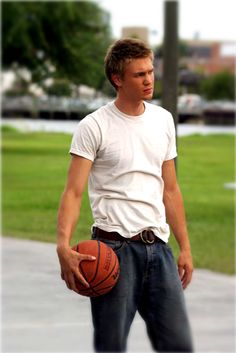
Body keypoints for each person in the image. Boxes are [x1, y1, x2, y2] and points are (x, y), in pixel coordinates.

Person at [57, 38, 194, 352]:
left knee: (179, 345)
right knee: (111, 346)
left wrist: (184, 247)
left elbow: (170, 190)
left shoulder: (163, 121)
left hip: (159, 250)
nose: (148, 80)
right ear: (117, 79)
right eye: (139, 75)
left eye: (150, 72)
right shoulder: (94, 126)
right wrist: (62, 245)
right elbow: (73, 192)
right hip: (113, 250)